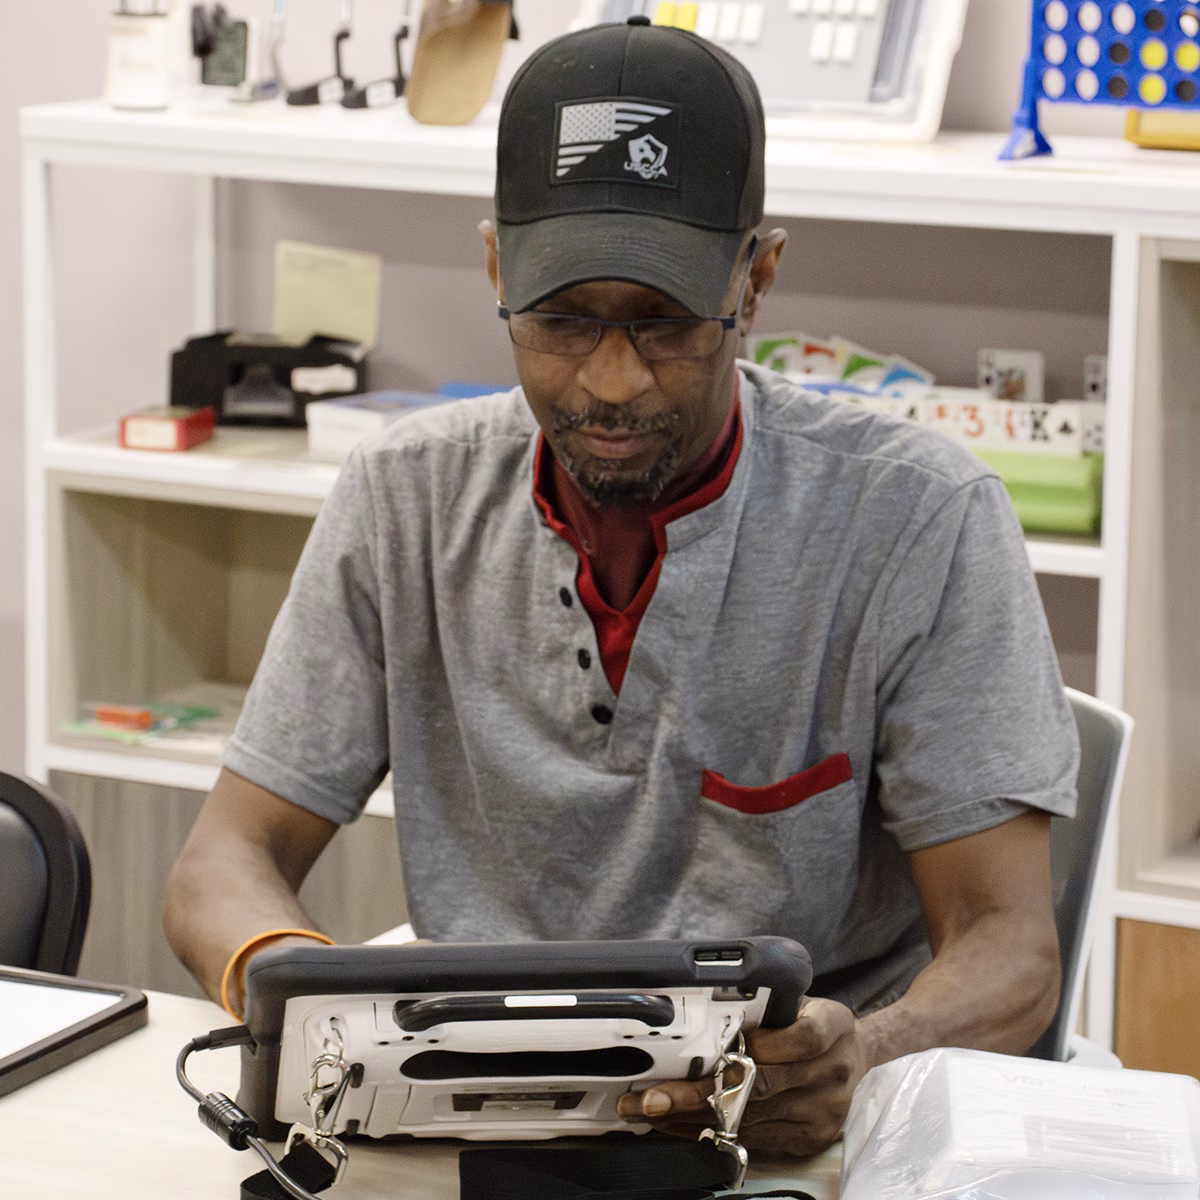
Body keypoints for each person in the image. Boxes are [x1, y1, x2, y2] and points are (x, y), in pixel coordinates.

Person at [164, 17, 1079, 1157]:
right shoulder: (406, 498)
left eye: (664, 323)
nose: (611, 381)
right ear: (496, 270)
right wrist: (304, 999)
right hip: (473, 1113)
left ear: (757, 279)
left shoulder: (916, 519)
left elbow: (1011, 948)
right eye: (560, 320)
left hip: (797, 1135)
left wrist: (872, 1053)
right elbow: (221, 863)